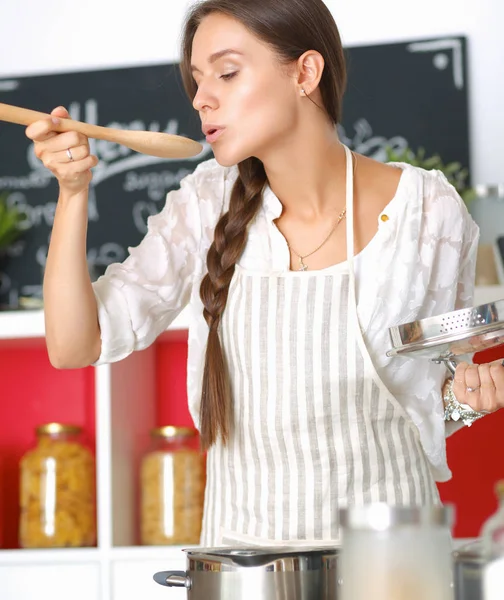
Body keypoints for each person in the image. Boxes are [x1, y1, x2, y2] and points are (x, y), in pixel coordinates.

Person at [26, 0, 504, 547]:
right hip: (245, 566)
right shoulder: (205, 205)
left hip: (391, 560)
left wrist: (471, 395)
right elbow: (72, 345)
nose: (202, 98)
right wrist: (72, 192)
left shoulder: (428, 210)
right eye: (197, 81)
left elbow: (432, 398)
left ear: (305, 72)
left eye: (227, 73)